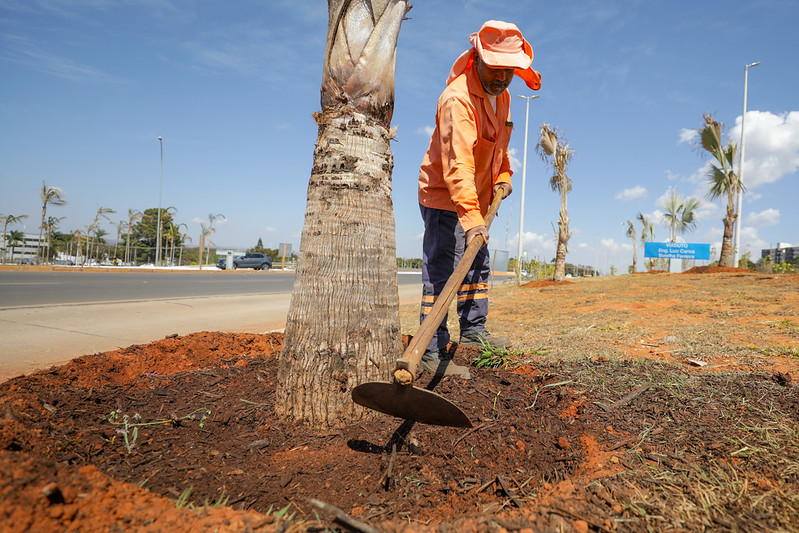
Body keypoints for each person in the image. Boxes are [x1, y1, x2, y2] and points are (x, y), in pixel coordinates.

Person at [417, 20, 541, 379]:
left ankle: (473, 333)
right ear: (477, 59)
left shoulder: (501, 97)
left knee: (477, 264)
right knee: (443, 272)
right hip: (445, 198)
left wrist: (503, 176)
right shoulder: (457, 100)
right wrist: (472, 221)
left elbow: (499, 146)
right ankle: (430, 350)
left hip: (479, 198)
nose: (503, 77)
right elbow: (459, 166)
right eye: (496, 68)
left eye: (509, 70)